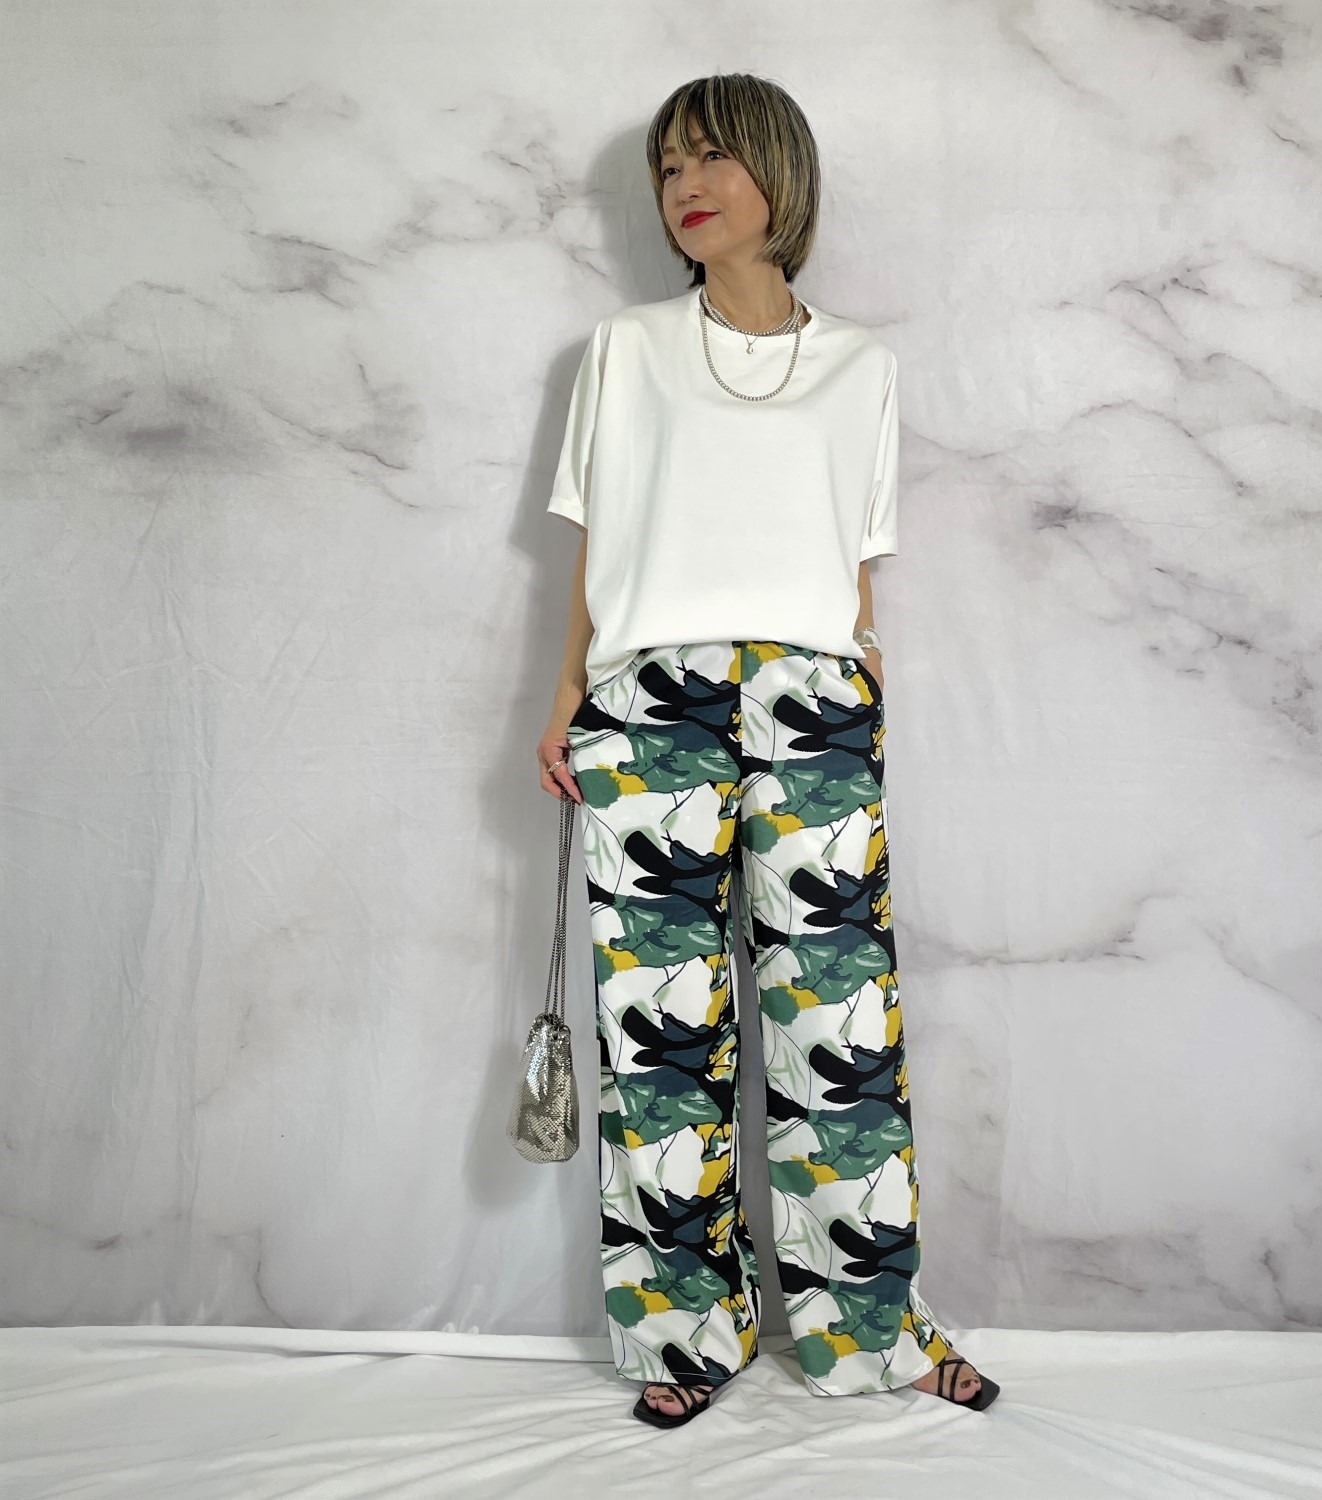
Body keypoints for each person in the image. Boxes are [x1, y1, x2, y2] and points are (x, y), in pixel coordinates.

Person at [535, 72, 1001, 1430]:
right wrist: (563, 698)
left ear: (777, 176)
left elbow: (855, 563)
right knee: (660, 1040)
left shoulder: (864, 368)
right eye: (670, 165)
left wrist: (861, 675)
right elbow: (594, 546)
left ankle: (876, 1332)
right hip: (652, 699)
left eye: (714, 158)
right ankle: (685, 1332)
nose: (687, 185)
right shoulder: (624, 350)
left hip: (814, 696)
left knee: (837, 1029)